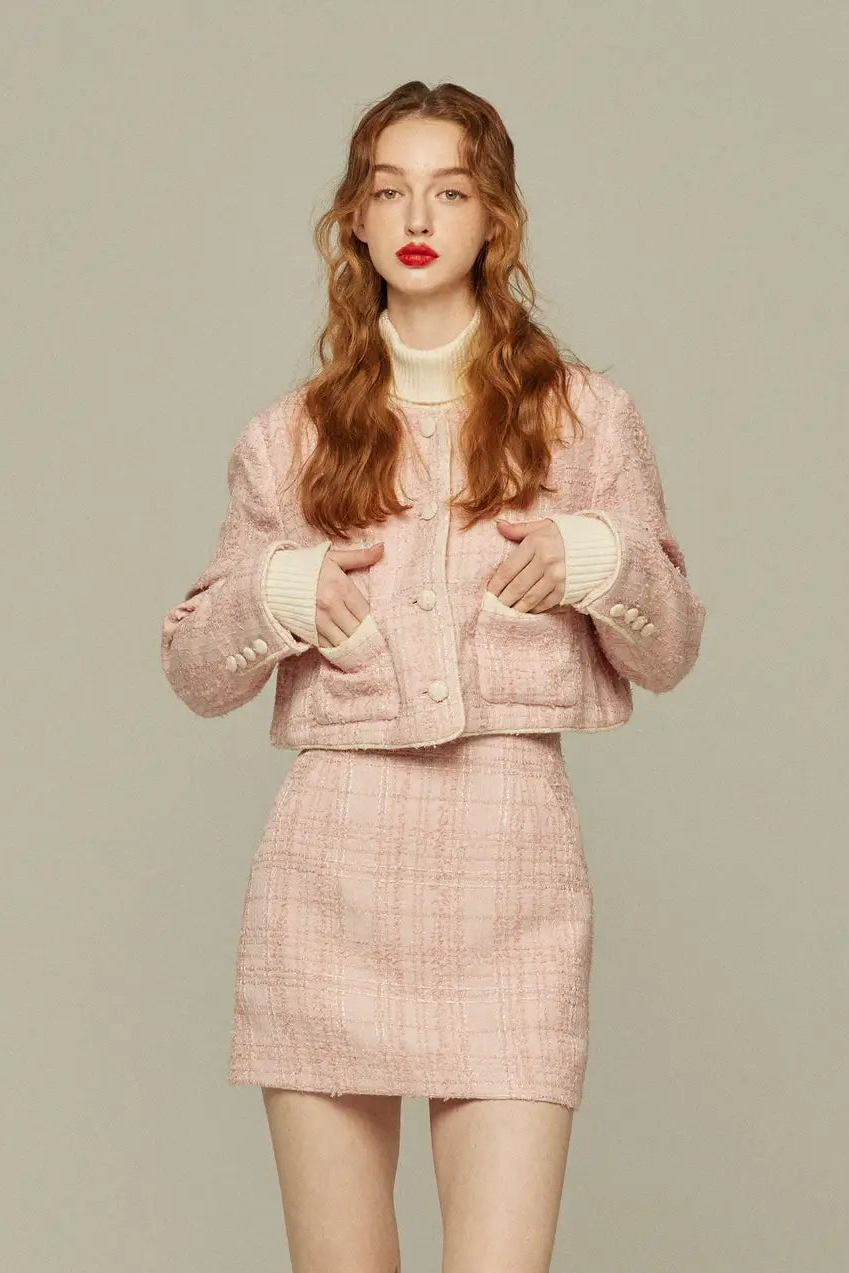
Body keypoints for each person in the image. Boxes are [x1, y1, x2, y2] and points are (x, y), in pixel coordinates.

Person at [160, 80, 706, 1273]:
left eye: (449, 191)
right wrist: (284, 593)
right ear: (354, 220)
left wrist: (594, 557)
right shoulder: (290, 436)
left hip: (513, 873)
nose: (417, 218)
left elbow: (669, 648)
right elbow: (196, 670)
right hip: (327, 880)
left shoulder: (585, 420)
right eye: (389, 191)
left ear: (493, 218)